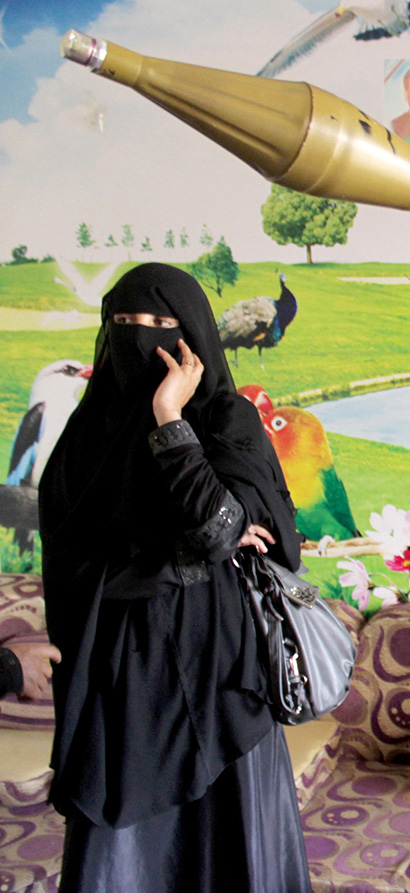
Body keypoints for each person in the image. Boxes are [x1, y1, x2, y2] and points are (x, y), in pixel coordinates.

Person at [39, 263, 311, 892]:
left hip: (220, 674)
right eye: (125, 323)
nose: (142, 339)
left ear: (192, 336)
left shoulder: (227, 422)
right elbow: (77, 564)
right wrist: (182, 558)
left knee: (232, 846)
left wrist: (170, 418)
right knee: (126, 851)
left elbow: (221, 532)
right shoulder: (87, 438)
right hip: (124, 678)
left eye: (162, 324)